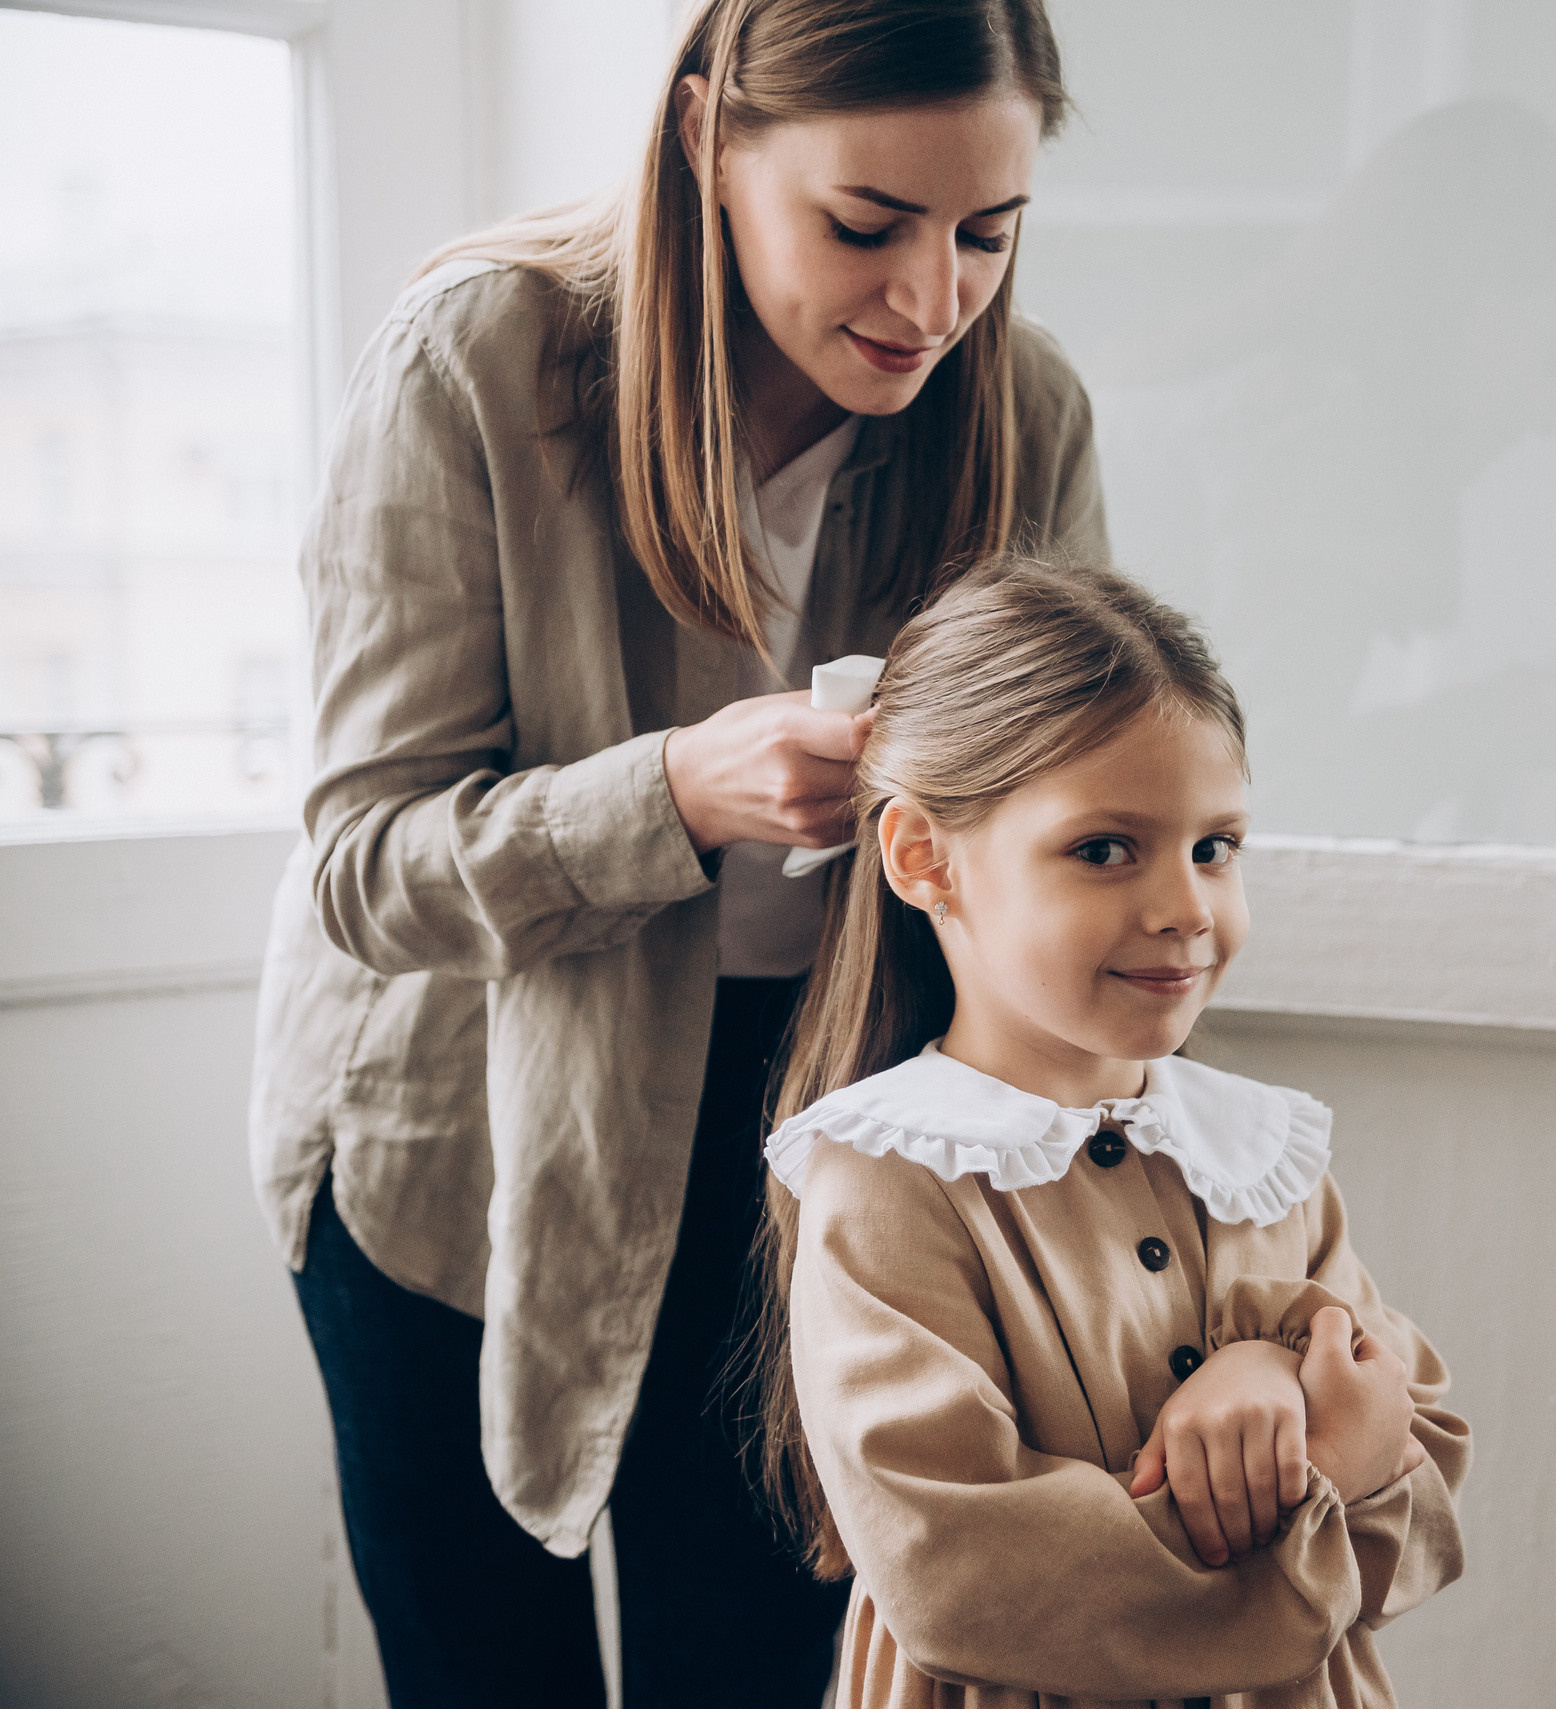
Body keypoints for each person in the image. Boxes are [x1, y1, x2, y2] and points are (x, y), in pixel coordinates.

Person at [248, 2, 1102, 1702]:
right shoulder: (480, 360)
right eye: (866, 225)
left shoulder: (1022, 415)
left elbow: (1077, 820)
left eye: (987, 233)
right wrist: (677, 794)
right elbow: (364, 866)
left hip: (812, 1146)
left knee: (764, 1670)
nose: (931, 299)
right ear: (709, 136)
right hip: (459, 1147)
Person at [750, 556, 1468, 1708]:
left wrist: (1265, 1367)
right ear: (924, 858)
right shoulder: (888, 1180)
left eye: (1214, 846)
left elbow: (1420, 1475)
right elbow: (963, 1574)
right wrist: (1320, 1477)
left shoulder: (1261, 1153)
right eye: (1103, 848)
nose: (1186, 906)